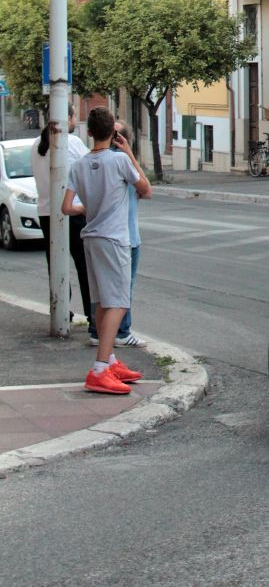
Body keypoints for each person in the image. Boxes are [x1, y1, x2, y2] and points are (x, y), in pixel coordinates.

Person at [62, 107, 152, 395]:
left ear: (88, 132)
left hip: (90, 237)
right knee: (119, 302)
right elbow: (146, 189)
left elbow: (66, 207)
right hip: (114, 239)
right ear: (113, 134)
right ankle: (100, 367)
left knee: (102, 301)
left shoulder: (77, 166)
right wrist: (129, 154)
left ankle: (109, 360)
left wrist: (87, 209)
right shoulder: (119, 161)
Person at [31, 105, 96, 341]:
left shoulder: (36, 146)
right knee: (84, 265)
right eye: (72, 117)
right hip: (73, 211)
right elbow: (90, 167)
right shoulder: (71, 142)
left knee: (56, 264)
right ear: (66, 118)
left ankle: (61, 309)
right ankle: (92, 315)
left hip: (46, 212)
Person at [112, 121, 144, 347]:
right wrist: (130, 154)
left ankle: (99, 330)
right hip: (127, 238)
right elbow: (146, 189)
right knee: (124, 289)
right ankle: (122, 332)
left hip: (106, 236)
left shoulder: (93, 161)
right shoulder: (124, 163)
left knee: (105, 289)